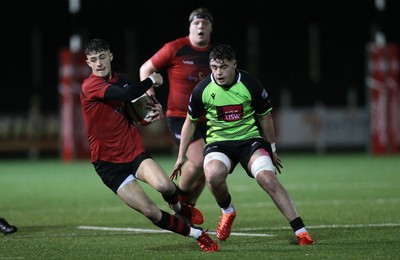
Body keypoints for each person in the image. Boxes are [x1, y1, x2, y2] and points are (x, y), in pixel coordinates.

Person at [80, 38, 218, 252]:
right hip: (109, 165)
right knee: (151, 211)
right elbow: (126, 94)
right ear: (88, 63)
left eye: (102, 57)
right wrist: (151, 80)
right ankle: (198, 234)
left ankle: (180, 207)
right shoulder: (91, 85)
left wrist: (149, 111)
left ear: (111, 56)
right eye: (93, 60)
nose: (99, 63)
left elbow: (131, 108)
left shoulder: (122, 79)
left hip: (133, 153)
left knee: (166, 186)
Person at [171, 44, 315, 245]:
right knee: (212, 175)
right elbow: (190, 122)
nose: (218, 72)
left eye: (223, 67)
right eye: (214, 67)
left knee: (267, 178)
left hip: (250, 141)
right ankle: (228, 211)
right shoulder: (202, 90)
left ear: (234, 65)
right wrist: (180, 157)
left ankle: (301, 232)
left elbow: (266, 118)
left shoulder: (250, 84)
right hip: (219, 144)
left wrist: (272, 149)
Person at [139, 7, 214, 209]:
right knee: (198, 161)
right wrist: (151, 98)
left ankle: (187, 210)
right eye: (196, 23)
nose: (200, 27)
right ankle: (177, 200)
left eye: (205, 23)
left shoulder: (216, 55)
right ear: (190, 27)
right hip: (180, 117)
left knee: (209, 169)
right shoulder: (175, 48)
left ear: (210, 29)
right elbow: (145, 69)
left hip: (211, 119)